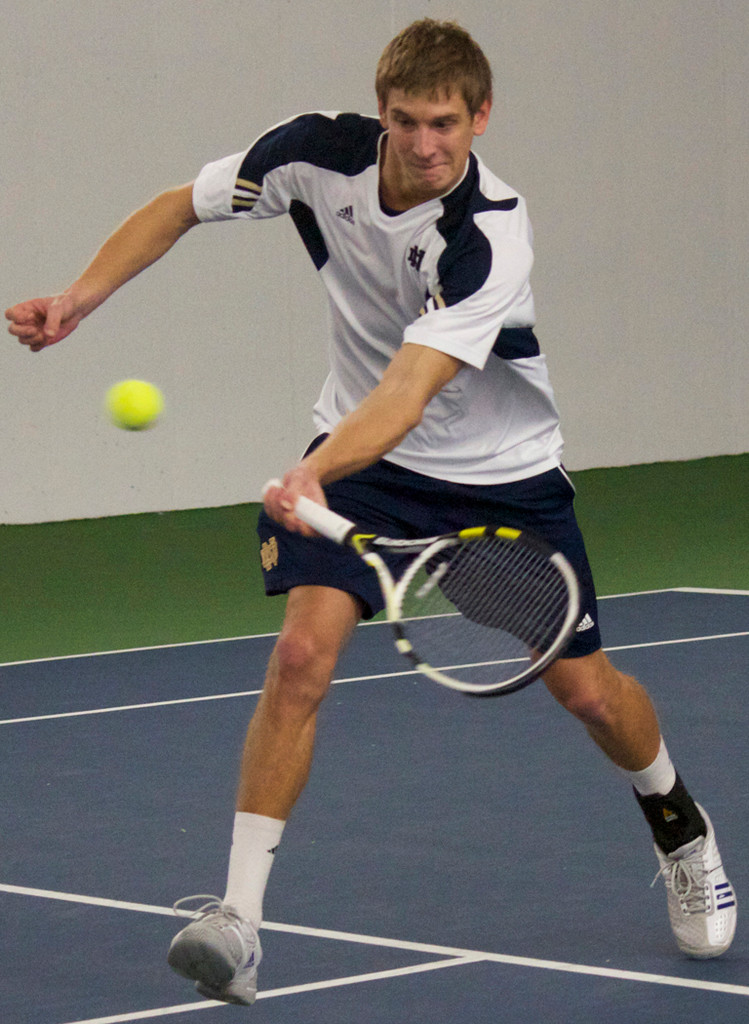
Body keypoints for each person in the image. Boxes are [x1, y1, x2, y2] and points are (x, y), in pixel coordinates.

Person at [6, 18, 736, 1007]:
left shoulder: (486, 235)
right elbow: (181, 205)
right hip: (363, 466)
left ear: (479, 117)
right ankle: (238, 921)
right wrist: (82, 296)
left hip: (495, 483)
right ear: (380, 112)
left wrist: (314, 472)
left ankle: (674, 819)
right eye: (405, 122)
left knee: (587, 694)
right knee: (300, 657)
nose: (425, 144)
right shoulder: (315, 154)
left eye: (445, 123)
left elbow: (406, 389)